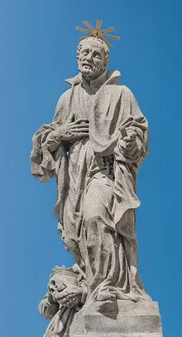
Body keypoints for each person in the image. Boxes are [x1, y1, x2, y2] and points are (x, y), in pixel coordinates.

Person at [30, 34, 152, 313]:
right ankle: (90, 280)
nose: (89, 58)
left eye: (97, 55)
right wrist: (59, 135)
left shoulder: (121, 93)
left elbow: (137, 129)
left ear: (105, 61)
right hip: (73, 176)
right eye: (85, 53)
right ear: (77, 57)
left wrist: (131, 140)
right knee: (78, 235)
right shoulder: (67, 97)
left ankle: (106, 287)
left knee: (96, 215)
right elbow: (46, 146)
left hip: (106, 171)